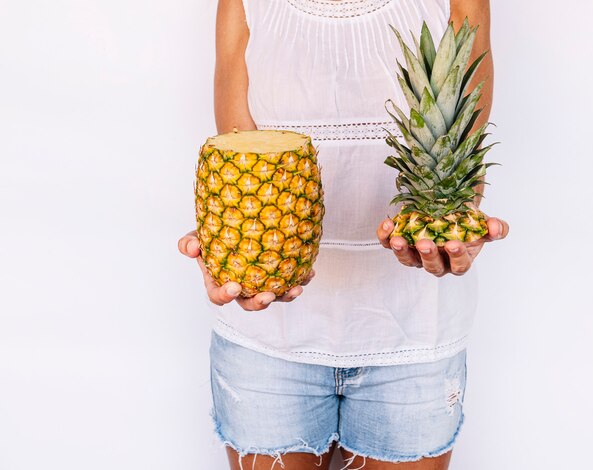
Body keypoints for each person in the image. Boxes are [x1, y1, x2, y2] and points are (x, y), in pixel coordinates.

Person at [178, 0, 509, 468]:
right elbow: (243, 153)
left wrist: (458, 219)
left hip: (413, 332)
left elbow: (461, 140)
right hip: (269, 339)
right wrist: (227, 244)